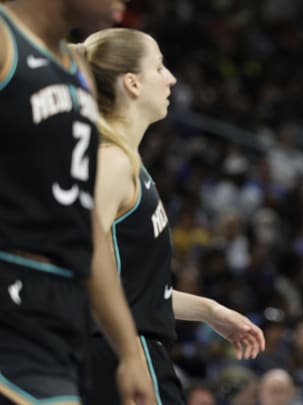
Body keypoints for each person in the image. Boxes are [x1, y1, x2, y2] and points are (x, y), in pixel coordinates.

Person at [78, 27, 266, 404]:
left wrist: (209, 311)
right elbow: (79, 264)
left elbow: (134, 291)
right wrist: (128, 356)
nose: (171, 78)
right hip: (123, 351)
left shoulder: (128, 163)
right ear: (131, 83)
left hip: (126, 347)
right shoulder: (111, 162)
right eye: (159, 67)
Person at [0, 1, 156, 404]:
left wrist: (128, 352)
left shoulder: (76, 69)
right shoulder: (4, 38)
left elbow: (83, 225)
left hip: (61, 314)